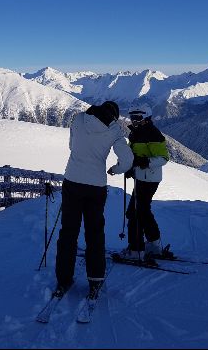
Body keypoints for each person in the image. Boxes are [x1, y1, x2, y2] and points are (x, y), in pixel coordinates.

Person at [55, 100, 133, 299]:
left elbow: (72, 145)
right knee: (94, 232)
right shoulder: (114, 129)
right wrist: (115, 170)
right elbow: (127, 160)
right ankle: (95, 279)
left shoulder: (79, 118)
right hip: (96, 186)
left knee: (68, 232)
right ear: (114, 115)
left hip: (72, 181)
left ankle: (64, 278)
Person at [121, 103, 170, 261]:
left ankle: (136, 250)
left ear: (145, 118)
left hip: (149, 179)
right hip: (142, 177)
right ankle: (154, 245)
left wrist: (144, 162)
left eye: (137, 117)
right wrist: (131, 166)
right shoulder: (136, 133)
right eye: (132, 117)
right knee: (142, 211)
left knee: (135, 213)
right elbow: (134, 154)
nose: (133, 120)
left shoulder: (152, 133)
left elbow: (163, 158)